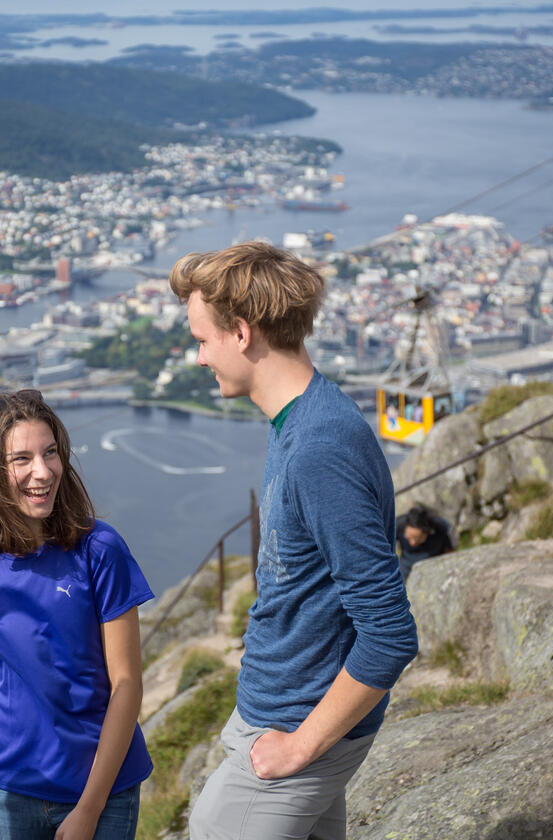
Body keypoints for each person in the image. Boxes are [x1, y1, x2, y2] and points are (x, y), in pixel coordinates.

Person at [171, 242, 419, 840]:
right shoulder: (301, 420)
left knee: (208, 827)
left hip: (297, 720)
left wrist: (301, 747)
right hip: (273, 706)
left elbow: (390, 634)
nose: (198, 357)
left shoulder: (319, 450)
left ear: (241, 332)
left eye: (203, 339)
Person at [0, 389, 153, 840]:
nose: (43, 472)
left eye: (50, 453)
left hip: (102, 786)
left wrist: (89, 808)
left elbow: (127, 685)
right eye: (21, 459)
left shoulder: (99, 550)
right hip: (13, 783)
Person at [394, 504, 455, 580]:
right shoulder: (397, 525)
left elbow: (450, 551)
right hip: (407, 563)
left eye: (418, 539)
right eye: (409, 537)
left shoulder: (440, 527)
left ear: (428, 532)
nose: (412, 543)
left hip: (434, 561)